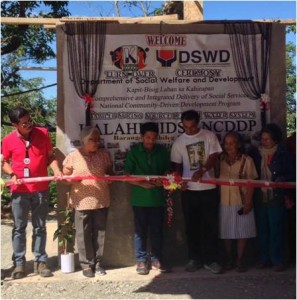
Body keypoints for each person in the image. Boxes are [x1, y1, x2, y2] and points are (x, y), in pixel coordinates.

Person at [1, 106, 63, 279]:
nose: (29, 125)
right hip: (19, 191)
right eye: (24, 123)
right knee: (19, 228)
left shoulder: (42, 133)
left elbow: (50, 157)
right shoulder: (8, 140)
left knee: (40, 226)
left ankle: (40, 261)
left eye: (30, 120)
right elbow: (4, 161)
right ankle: (19, 263)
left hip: (41, 189)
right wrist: (12, 174)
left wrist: (56, 171)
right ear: (15, 125)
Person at [171, 110, 223, 274]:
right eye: (186, 127)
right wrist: (180, 184)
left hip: (209, 189)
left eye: (192, 126)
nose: (189, 130)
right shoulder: (179, 142)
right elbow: (176, 167)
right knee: (191, 226)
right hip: (190, 191)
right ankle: (194, 259)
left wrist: (203, 170)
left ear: (198, 123)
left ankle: (211, 260)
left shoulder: (209, 136)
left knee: (210, 226)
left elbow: (214, 156)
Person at [62, 126, 113, 278]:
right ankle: (86, 265)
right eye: (93, 139)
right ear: (84, 140)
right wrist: (72, 180)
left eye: (98, 139)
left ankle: (98, 264)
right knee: (83, 234)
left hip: (101, 200)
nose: (96, 142)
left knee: (100, 233)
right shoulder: (74, 156)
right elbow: (65, 178)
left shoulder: (104, 154)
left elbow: (111, 172)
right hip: (81, 201)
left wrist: (109, 177)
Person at [124, 122, 170, 275]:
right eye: (148, 137)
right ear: (141, 137)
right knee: (140, 231)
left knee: (157, 231)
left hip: (157, 199)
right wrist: (143, 184)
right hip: (140, 199)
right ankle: (141, 260)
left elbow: (167, 173)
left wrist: (162, 180)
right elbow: (127, 177)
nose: (151, 141)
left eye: (154, 138)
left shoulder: (162, 152)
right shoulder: (134, 153)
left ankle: (156, 259)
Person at [249, 123, 294, 272]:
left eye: (268, 139)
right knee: (262, 229)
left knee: (276, 229)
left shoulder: (282, 154)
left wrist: (281, 178)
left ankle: (277, 259)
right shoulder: (255, 153)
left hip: (276, 196)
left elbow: (292, 173)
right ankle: (263, 259)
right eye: (263, 139)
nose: (264, 142)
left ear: (275, 140)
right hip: (260, 196)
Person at [217, 132, 258, 272]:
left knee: (242, 232)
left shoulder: (247, 160)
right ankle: (229, 259)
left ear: (239, 144)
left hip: (241, 201)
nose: (229, 146)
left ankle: (240, 260)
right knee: (226, 233)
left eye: (232, 142)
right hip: (224, 201)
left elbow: (252, 183)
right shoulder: (220, 160)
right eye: (226, 143)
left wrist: (248, 202)